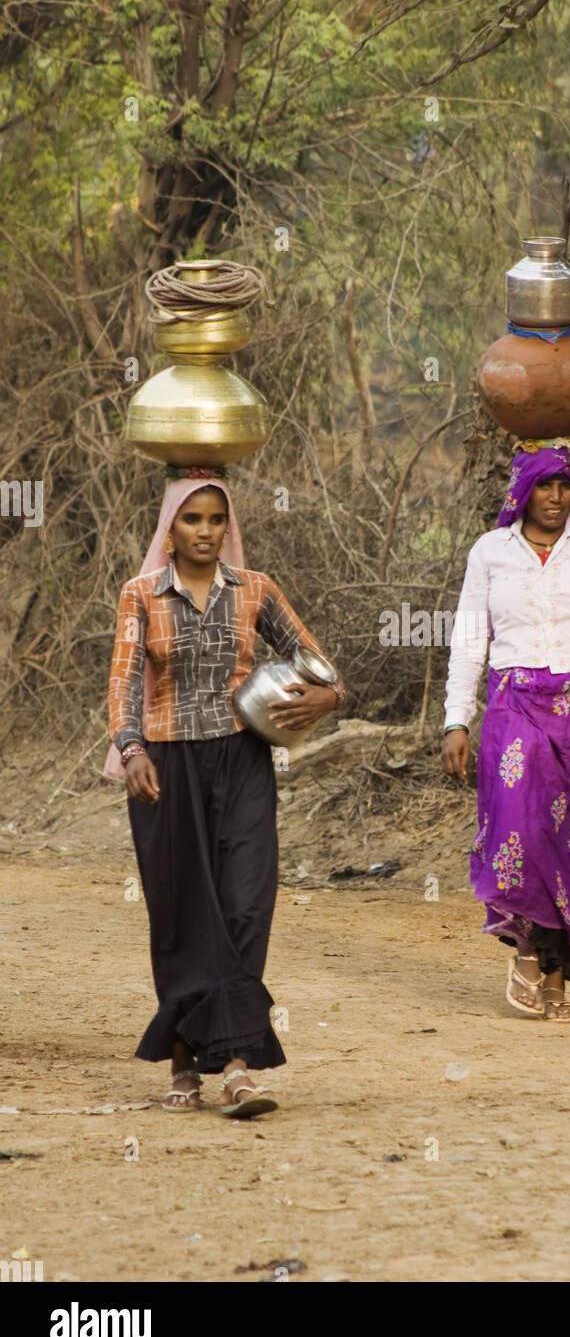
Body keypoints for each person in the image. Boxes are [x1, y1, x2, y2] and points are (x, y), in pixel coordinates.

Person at [104, 472, 345, 1114]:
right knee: (185, 910)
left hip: (243, 756)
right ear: (170, 531)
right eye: (192, 521)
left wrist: (327, 695)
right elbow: (125, 679)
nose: (205, 532)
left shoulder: (255, 590)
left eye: (216, 520)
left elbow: (316, 661)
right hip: (165, 764)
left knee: (244, 902)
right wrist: (131, 751)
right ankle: (190, 1058)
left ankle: (234, 1061)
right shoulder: (141, 594)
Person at [441, 438, 570, 1021]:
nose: (556, 497)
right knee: (520, 828)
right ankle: (530, 951)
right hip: (517, 702)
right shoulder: (491, 551)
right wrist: (457, 719)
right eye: (544, 485)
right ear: (522, 491)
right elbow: (468, 640)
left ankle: (558, 980)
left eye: (565, 485)